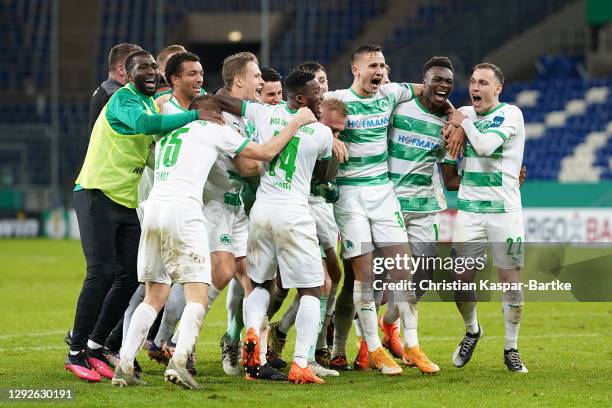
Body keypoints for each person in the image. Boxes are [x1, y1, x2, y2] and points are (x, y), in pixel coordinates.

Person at [112, 95, 317, 389]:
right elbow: (266, 152)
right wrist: (296, 122)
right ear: (217, 115)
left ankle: (125, 365)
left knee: (153, 295)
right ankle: (180, 361)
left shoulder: (171, 134)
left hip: (154, 208)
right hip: (185, 211)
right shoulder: (214, 129)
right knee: (198, 291)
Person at [64, 50, 220, 382]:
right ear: (128, 73)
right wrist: (194, 117)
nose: (150, 72)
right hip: (96, 194)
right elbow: (146, 126)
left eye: (154, 67)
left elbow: (156, 142)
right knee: (101, 272)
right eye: (143, 68)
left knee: (132, 277)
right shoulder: (125, 99)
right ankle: (75, 350)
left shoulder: (152, 103)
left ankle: (95, 347)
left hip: (125, 201)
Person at [215, 68, 335, 384]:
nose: (322, 96)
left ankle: (253, 345)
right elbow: (324, 170)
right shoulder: (321, 133)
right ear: (300, 98)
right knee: (312, 288)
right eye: (316, 93)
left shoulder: (262, 113)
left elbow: (223, 101)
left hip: (262, 211)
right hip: (294, 214)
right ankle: (300, 363)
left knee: (259, 284)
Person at [325, 44, 427, 375]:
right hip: (350, 197)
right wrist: (330, 136)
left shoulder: (391, 93)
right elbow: (311, 118)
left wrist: (455, 115)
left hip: (383, 193)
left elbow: (431, 90)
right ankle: (374, 349)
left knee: (402, 270)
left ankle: (412, 345)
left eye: (383, 64)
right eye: (373, 65)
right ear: (356, 70)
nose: (379, 70)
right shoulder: (338, 100)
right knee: (364, 276)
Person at [446, 62, 528, 373]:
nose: (475, 87)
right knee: (460, 279)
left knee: (511, 281)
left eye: (483, 83)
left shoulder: (511, 114)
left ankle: (511, 347)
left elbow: (484, 145)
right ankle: (472, 330)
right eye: (473, 82)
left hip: (504, 212)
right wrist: (456, 124)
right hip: (469, 210)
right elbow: (451, 139)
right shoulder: (465, 112)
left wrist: (462, 123)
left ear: (498, 89)